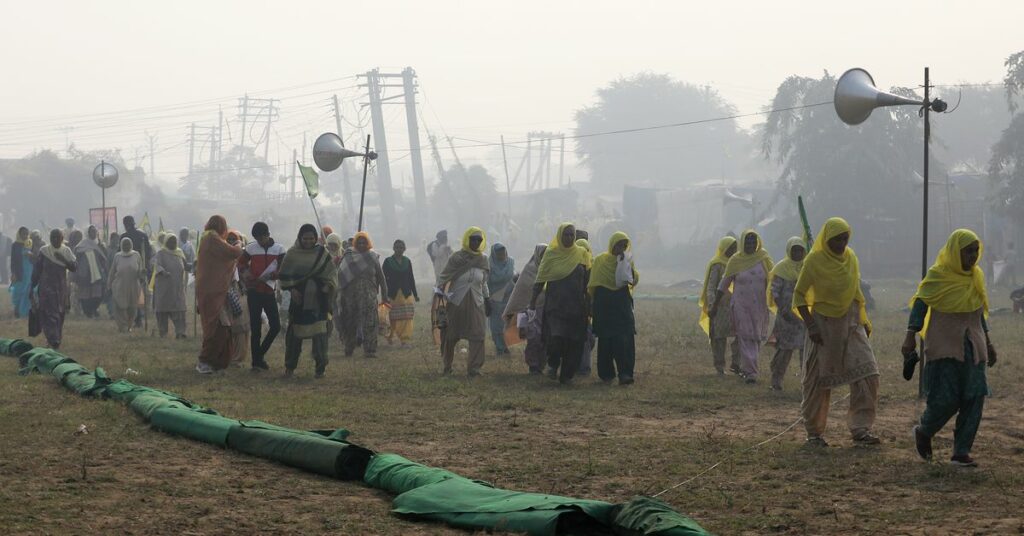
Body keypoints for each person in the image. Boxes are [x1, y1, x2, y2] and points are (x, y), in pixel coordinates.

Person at [904, 229, 996, 467]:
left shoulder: (976, 277)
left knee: (975, 395)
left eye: (976, 250)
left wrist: (988, 341)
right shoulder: (938, 275)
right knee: (946, 398)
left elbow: (977, 308)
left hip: (973, 344)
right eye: (968, 251)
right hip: (944, 342)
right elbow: (920, 305)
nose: (973, 255)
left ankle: (961, 452)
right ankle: (924, 431)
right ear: (956, 251)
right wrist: (910, 336)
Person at [794, 217, 880, 447]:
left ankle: (861, 428)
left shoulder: (851, 258)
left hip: (851, 322)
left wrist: (863, 322)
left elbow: (856, 293)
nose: (842, 244)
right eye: (837, 239)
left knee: (868, 373)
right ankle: (814, 432)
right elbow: (799, 295)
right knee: (818, 382)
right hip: (823, 327)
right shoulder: (813, 261)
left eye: (845, 238)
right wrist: (811, 325)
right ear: (827, 239)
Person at [530, 223, 591, 384]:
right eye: (566, 235)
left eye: (572, 235)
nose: (569, 238)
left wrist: (589, 304)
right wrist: (532, 302)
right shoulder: (551, 254)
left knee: (574, 343)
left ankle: (566, 376)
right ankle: (553, 363)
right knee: (556, 340)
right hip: (556, 307)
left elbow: (587, 281)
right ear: (559, 236)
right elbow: (540, 279)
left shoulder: (582, 254)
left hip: (577, 307)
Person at [709, 230, 773, 384]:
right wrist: (714, 305)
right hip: (741, 306)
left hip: (759, 306)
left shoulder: (764, 259)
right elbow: (723, 284)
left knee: (756, 337)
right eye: (747, 242)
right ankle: (751, 372)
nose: (750, 245)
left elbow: (772, 280)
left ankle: (749, 368)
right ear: (743, 243)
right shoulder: (735, 261)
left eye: (753, 242)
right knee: (744, 336)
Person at [279, 224, 338, 378]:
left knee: (320, 335)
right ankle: (290, 367)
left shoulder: (321, 253)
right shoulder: (292, 254)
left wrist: (327, 286)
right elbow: (285, 276)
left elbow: (332, 273)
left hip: (318, 301)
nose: (308, 241)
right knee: (294, 335)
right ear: (300, 237)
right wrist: (292, 290)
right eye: (305, 238)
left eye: (311, 238)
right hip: (298, 300)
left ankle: (320, 368)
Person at [436, 227, 490, 376]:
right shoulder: (456, 257)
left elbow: (484, 282)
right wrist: (439, 292)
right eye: (473, 239)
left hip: (477, 302)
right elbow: (444, 276)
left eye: (479, 239)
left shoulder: (483, 259)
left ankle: (474, 368)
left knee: (478, 335)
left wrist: (487, 299)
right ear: (467, 239)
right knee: (450, 335)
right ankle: (447, 366)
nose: (476, 242)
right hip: (456, 302)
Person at [588, 231, 639, 385]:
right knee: (606, 340)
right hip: (604, 305)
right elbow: (593, 284)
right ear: (612, 245)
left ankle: (625, 373)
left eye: (624, 246)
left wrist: (625, 265)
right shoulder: (600, 260)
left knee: (625, 338)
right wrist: (590, 305)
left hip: (621, 304)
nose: (621, 248)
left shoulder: (627, 261)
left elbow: (633, 280)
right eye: (618, 245)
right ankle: (606, 374)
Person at [194, 215, 243, 374]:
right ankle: (205, 361)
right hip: (212, 292)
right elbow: (232, 253)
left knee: (222, 327)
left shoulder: (208, 239)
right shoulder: (212, 240)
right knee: (217, 328)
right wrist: (238, 244)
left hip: (214, 291)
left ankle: (217, 362)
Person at [240, 222, 286, 371]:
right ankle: (256, 362)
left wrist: (274, 275)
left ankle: (259, 355)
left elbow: (283, 268)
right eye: (257, 238)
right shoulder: (250, 248)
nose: (260, 241)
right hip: (254, 291)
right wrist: (246, 274)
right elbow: (240, 264)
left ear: (268, 234)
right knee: (256, 328)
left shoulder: (279, 249)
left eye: (262, 238)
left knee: (276, 326)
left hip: (269, 290)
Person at [338, 231, 388, 357]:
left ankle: (370, 349)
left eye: (364, 242)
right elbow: (341, 274)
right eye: (358, 242)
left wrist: (385, 296)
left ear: (368, 243)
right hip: (350, 294)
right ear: (355, 243)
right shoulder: (349, 255)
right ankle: (349, 347)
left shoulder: (372, 257)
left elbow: (381, 278)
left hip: (369, 294)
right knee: (350, 320)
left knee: (370, 321)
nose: (361, 244)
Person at [767, 237, 807, 391]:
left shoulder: (807, 267)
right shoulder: (782, 268)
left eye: (800, 250)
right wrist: (783, 310)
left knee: (806, 353)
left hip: (805, 318)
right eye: (794, 250)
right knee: (785, 350)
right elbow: (775, 292)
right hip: (786, 318)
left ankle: (806, 384)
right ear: (789, 251)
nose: (797, 253)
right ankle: (776, 380)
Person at [504, 244, 548, 374]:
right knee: (534, 337)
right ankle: (533, 365)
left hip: (546, 311)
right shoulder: (529, 271)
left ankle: (541, 364)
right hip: (531, 312)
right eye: (543, 254)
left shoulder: (551, 270)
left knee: (545, 339)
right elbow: (521, 295)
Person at [699, 236, 739, 375]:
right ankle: (720, 367)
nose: (733, 251)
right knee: (719, 338)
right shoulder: (717, 264)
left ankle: (736, 363)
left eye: (735, 248)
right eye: (730, 248)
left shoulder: (738, 263)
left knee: (740, 336)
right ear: (724, 249)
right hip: (720, 306)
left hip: (735, 306)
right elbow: (711, 287)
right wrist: (712, 305)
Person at [31, 229, 77, 349]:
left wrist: (63, 259)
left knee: (59, 314)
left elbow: (74, 267)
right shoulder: (44, 251)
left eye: (58, 237)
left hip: (61, 288)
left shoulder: (66, 251)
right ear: (49, 238)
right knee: (48, 314)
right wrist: (31, 286)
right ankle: (53, 339)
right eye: (53, 237)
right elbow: (37, 270)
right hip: (46, 288)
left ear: (62, 239)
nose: (55, 240)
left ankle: (56, 338)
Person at [383, 239, 419, 346]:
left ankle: (405, 339)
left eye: (401, 247)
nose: (399, 249)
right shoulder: (388, 261)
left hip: (406, 293)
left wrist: (415, 294)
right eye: (397, 247)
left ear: (404, 249)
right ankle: (391, 336)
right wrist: (384, 294)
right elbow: (383, 279)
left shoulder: (407, 261)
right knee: (393, 317)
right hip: (393, 294)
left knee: (407, 317)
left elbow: (411, 278)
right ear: (393, 248)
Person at [153, 234, 188, 338]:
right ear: (166, 242)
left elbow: (186, 266)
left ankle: (180, 332)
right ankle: (163, 333)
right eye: (170, 241)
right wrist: (162, 271)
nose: (172, 244)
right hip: (164, 288)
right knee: (163, 312)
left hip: (177, 287)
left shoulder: (179, 253)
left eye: (174, 241)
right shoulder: (161, 253)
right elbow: (155, 264)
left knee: (179, 310)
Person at [121, 216, 154, 327]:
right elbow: (149, 253)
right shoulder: (142, 235)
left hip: (129, 269)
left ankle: (136, 317)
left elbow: (147, 252)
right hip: (140, 268)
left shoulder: (125, 237)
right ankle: (138, 317)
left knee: (131, 295)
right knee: (138, 294)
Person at [108, 237, 145, 333]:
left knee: (132, 308)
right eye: (124, 244)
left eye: (128, 244)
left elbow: (140, 271)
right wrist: (109, 284)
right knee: (120, 306)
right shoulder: (117, 256)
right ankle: (122, 326)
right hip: (120, 285)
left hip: (133, 286)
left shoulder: (136, 255)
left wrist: (142, 273)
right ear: (121, 245)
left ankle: (129, 325)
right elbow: (112, 272)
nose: (126, 246)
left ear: (131, 245)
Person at [226, 231, 250, 366]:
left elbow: (247, 274)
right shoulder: (222, 255)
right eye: (228, 239)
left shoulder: (244, 256)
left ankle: (239, 356)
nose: (230, 241)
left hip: (241, 292)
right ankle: (229, 355)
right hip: (226, 292)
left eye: (233, 239)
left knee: (241, 325)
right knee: (229, 326)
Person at [73, 225, 108, 318]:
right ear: (87, 233)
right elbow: (75, 260)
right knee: (85, 295)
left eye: (95, 232)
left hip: (97, 274)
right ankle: (88, 312)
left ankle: (93, 309)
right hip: (84, 274)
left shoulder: (99, 245)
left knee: (98, 295)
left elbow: (103, 258)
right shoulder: (81, 246)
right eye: (91, 232)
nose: (93, 233)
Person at [486, 243, 515, 356]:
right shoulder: (489, 265)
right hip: (495, 299)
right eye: (498, 253)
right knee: (497, 325)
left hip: (509, 298)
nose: (502, 255)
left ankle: (506, 345)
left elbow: (513, 277)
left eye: (503, 252)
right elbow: (487, 282)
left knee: (507, 323)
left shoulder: (511, 262)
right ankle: (499, 347)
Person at [574, 238, 596, 376]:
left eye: (585, 251)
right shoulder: (568, 267)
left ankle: (583, 367)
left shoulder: (594, 268)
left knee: (587, 339)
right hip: (572, 310)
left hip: (586, 312)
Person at [9, 227, 33, 318]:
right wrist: (13, 273)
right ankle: (17, 310)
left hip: (29, 269)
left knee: (27, 291)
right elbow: (13, 260)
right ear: (19, 234)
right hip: (19, 270)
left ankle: (25, 311)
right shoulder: (15, 245)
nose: (25, 236)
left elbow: (35, 256)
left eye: (27, 234)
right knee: (18, 291)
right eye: (23, 234)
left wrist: (31, 255)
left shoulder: (30, 243)